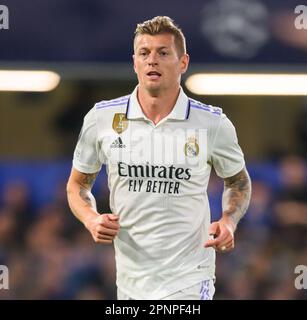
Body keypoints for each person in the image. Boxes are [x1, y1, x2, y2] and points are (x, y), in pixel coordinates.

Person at [66, 16, 252, 300]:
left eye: (163, 53)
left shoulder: (212, 123)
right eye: (144, 53)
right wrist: (92, 220)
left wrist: (228, 221)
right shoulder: (102, 118)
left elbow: (238, 182)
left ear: (183, 63)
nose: (152, 60)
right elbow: (77, 186)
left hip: (190, 279)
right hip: (130, 284)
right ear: (134, 62)